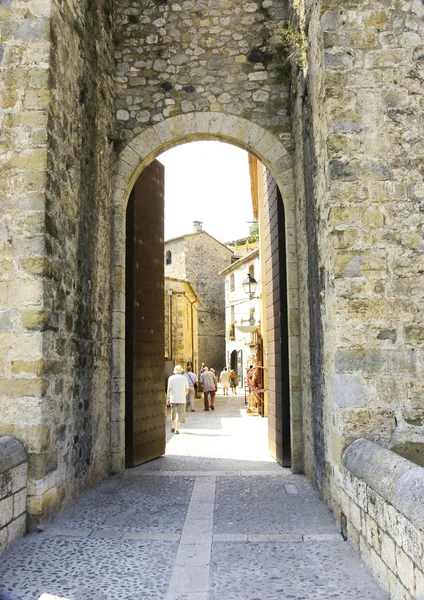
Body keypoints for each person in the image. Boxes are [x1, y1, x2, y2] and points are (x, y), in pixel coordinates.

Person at [166, 364, 189, 434]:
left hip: (173, 399)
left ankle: (173, 426)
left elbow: (169, 389)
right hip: (181, 399)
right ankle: (177, 429)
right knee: (179, 414)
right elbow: (187, 389)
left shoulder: (171, 378)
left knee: (173, 413)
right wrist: (183, 395)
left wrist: (168, 398)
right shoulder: (184, 378)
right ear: (181, 371)